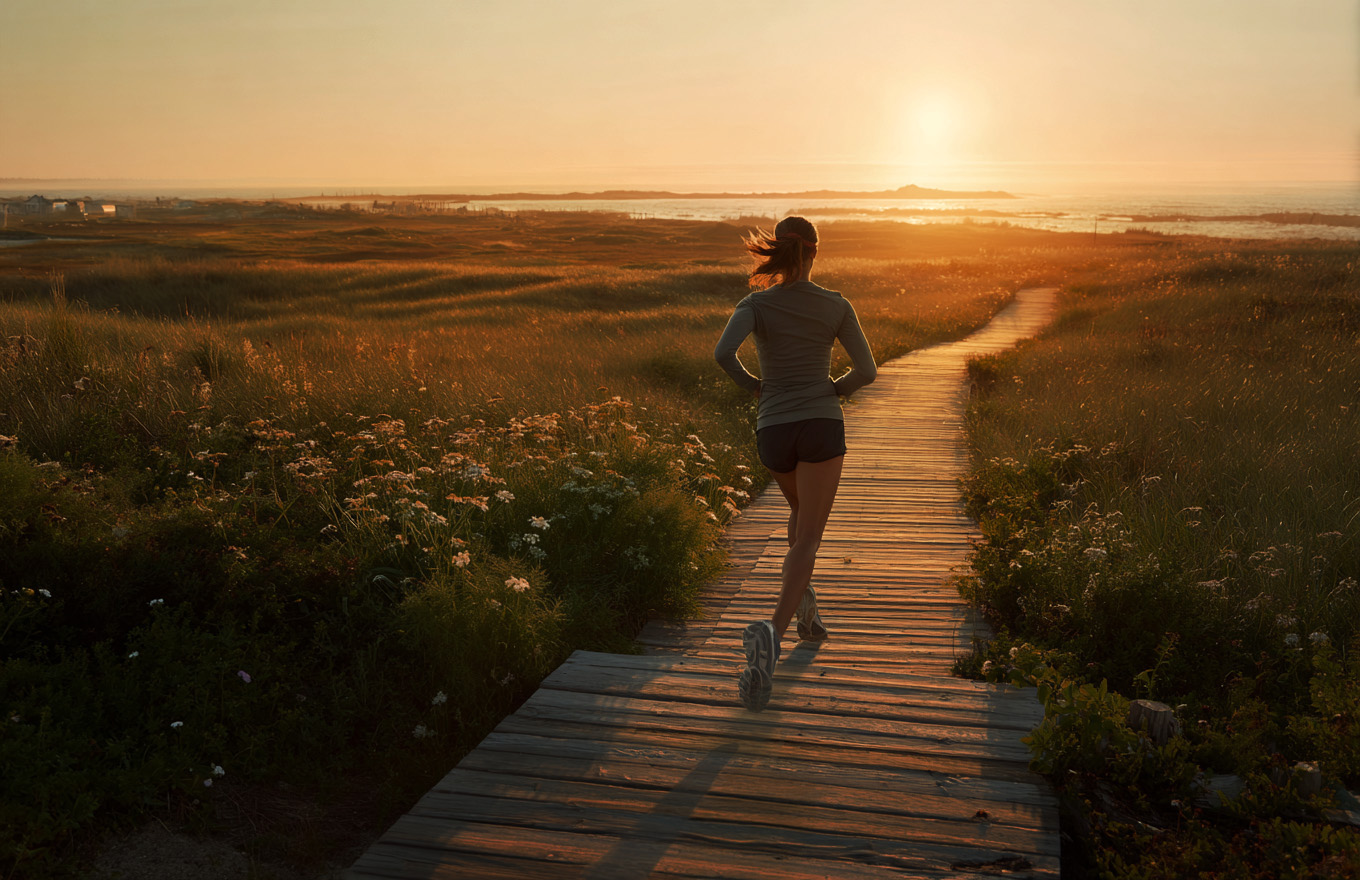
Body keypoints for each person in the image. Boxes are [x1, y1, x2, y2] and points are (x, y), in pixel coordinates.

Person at [713, 215, 877, 711]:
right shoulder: (836, 305)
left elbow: (723, 354)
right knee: (808, 536)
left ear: (779, 252)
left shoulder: (756, 304)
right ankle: (772, 632)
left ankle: (805, 609)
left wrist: (756, 388)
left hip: (774, 430)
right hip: (821, 425)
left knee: (800, 516)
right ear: (816, 252)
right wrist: (834, 391)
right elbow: (866, 371)